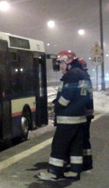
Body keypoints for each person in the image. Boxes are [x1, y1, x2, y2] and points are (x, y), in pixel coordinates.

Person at [37, 50, 91, 181]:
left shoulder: (71, 75)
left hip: (68, 118)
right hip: (79, 117)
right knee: (75, 146)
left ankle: (54, 172)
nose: (60, 67)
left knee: (59, 145)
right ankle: (74, 171)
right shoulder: (83, 75)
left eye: (61, 63)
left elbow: (66, 97)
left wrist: (56, 107)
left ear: (67, 62)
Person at [77, 57, 94, 171]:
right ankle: (87, 162)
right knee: (85, 138)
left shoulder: (82, 79)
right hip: (88, 112)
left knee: (81, 139)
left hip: (83, 113)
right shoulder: (86, 78)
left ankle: (84, 163)